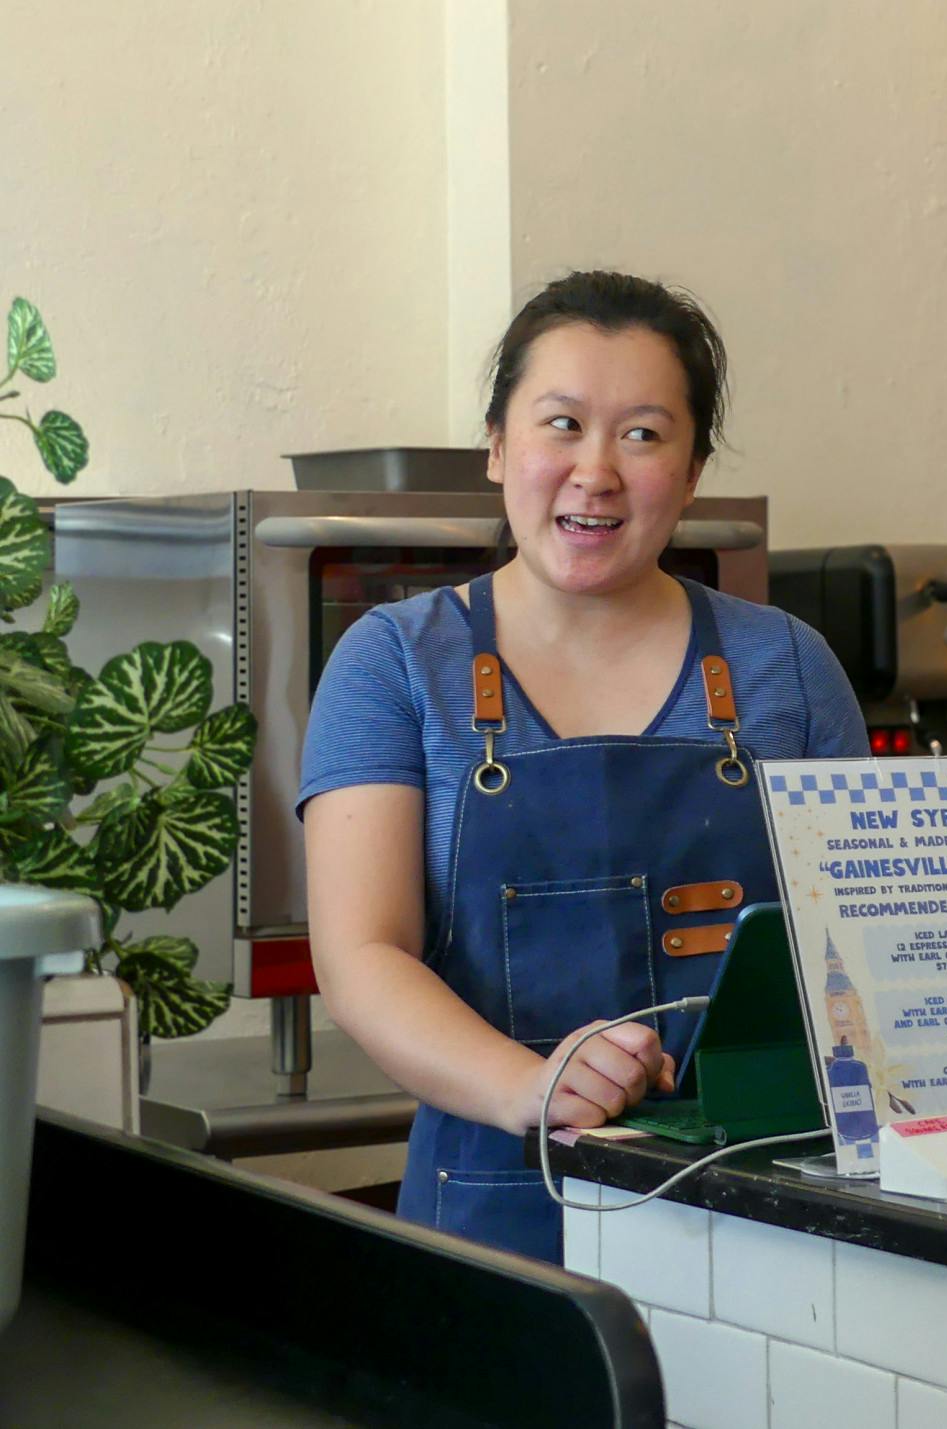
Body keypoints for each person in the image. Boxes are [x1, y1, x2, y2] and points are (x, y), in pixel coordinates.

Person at [299, 271, 867, 1262]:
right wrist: (536, 1087)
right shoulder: (393, 662)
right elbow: (360, 959)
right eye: (560, 423)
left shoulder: (791, 670)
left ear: (692, 472)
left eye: (643, 434)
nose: (594, 471)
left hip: (765, 1214)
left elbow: (864, 944)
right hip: (492, 1211)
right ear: (495, 445)